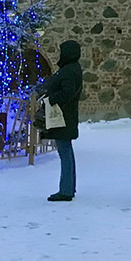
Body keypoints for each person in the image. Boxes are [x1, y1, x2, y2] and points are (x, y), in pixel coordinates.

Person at [38, 40, 82, 203]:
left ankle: (66, 190)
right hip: (66, 116)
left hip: (62, 117)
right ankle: (69, 187)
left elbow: (67, 92)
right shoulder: (73, 68)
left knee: (64, 152)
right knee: (67, 151)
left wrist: (51, 99)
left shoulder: (69, 70)